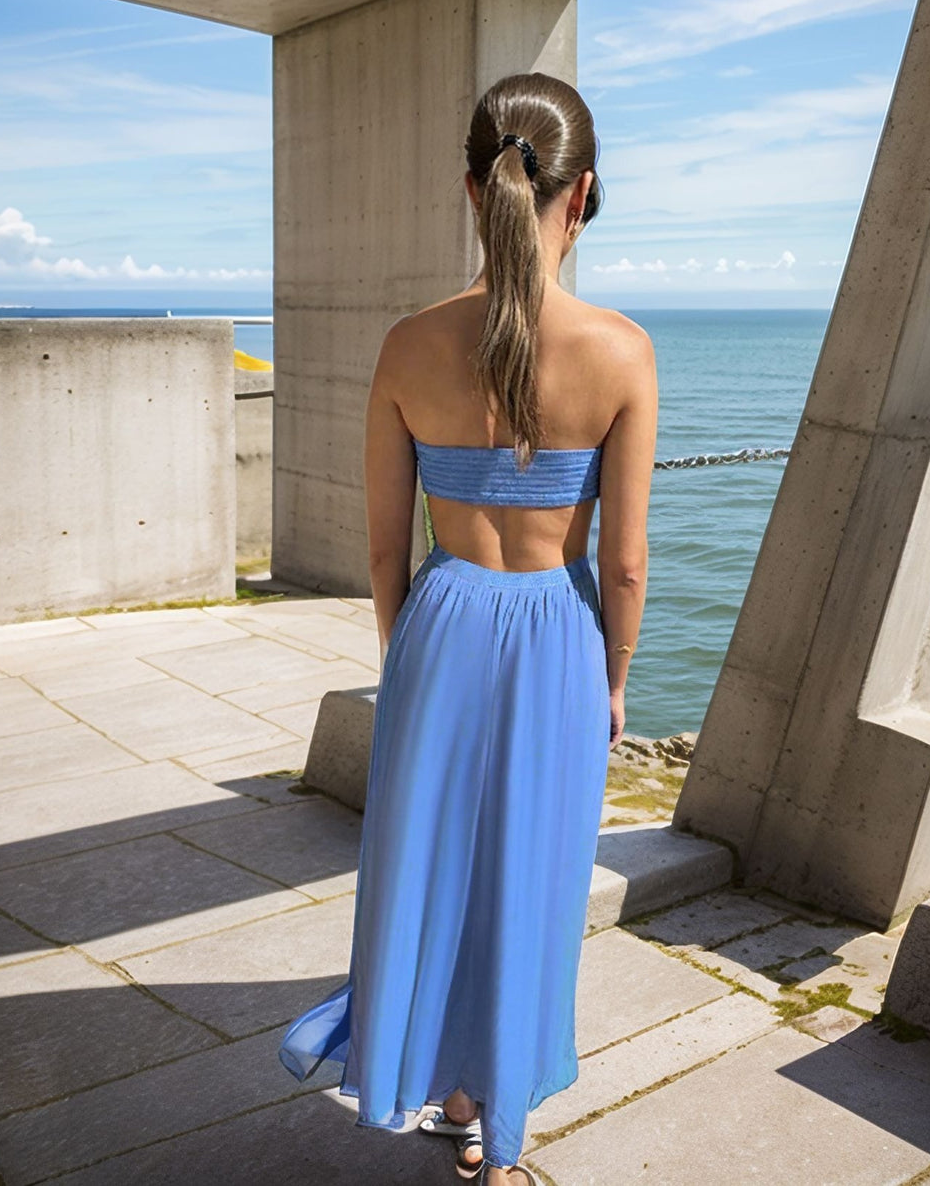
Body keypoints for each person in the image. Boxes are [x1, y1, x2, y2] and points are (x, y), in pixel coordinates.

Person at [278, 71, 658, 1184]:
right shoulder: (621, 350)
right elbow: (625, 561)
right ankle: (497, 1140)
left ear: (469, 188)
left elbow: (388, 548)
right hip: (554, 632)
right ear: (579, 196)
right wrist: (615, 678)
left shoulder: (407, 345)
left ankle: (441, 1088)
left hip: (442, 622)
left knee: (430, 865)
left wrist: (408, 653)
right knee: (530, 879)